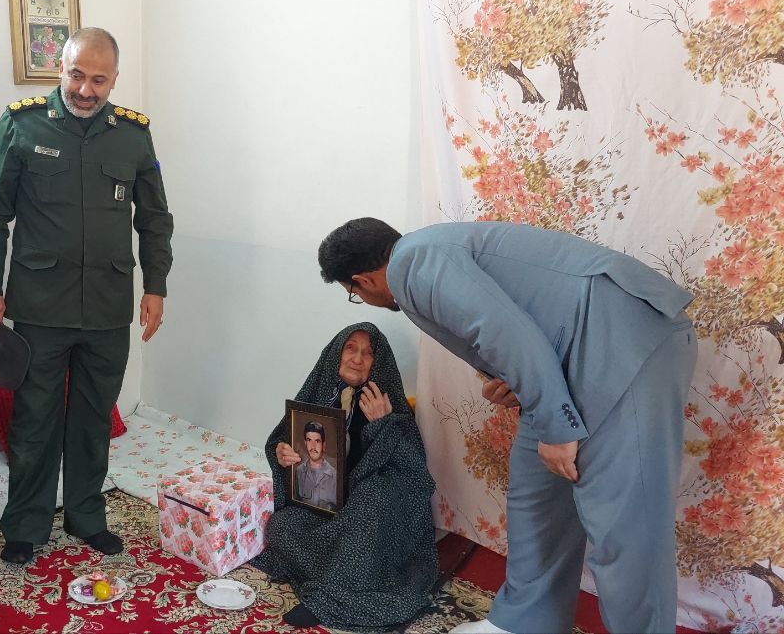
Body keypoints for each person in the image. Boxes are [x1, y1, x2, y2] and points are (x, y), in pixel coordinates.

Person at [318, 219, 697, 634]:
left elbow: (505, 333)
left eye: (354, 293)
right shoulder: (423, 256)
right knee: (536, 499)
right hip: (572, 360)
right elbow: (518, 329)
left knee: (625, 527)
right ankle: (524, 624)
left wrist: (557, 428)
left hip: (623, 346)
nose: (361, 298)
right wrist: (515, 384)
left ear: (362, 280)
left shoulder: (413, 262)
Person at [0, 27, 174, 565]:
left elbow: (155, 219)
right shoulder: (21, 124)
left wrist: (156, 285)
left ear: (114, 79)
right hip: (40, 305)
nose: (86, 90)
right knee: (34, 419)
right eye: (76, 75)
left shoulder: (133, 136)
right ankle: (25, 524)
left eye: (98, 80)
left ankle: (86, 516)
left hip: (108, 305)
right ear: (59, 69)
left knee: (93, 418)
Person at [252, 323, 438, 629]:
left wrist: (383, 424)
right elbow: (286, 442)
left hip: (372, 519)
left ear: (377, 363)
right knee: (282, 526)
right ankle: (345, 575)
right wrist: (284, 454)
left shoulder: (388, 404)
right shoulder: (320, 392)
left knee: (371, 494)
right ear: (336, 353)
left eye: (368, 353)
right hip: (330, 510)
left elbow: (415, 473)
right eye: (350, 348)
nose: (358, 358)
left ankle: (331, 596)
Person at [292, 421, 337, 510]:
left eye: (317, 441)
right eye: (309, 440)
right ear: (305, 443)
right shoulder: (299, 471)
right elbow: (296, 502)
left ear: (323, 445)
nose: (313, 446)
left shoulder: (334, 475)